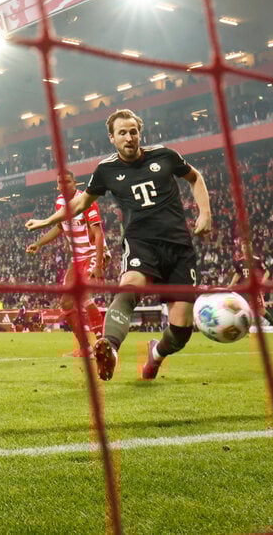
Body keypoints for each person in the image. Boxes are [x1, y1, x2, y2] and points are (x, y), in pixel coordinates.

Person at [26, 109, 211, 381]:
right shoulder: (106, 170)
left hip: (178, 247)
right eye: (122, 133)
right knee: (130, 287)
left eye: (133, 131)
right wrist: (46, 221)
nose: (129, 137)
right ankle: (110, 348)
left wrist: (205, 213)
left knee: (181, 329)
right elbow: (79, 203)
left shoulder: (165, 155)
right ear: (112, 138)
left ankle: (156, 353)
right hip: (140, 242)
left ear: (140, 133)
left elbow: (195, 177)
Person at [26, 170, 106, 357]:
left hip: (91, 253)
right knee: (66, 304)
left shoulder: (86, 201)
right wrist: (39, 243)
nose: (64, 185)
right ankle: (86, 348)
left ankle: (102, 346)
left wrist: (98, 263)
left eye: (68, 181)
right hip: (76, 259)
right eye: (60, 182)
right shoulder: (60, 202)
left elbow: (98, 233)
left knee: (83, 297)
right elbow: (59, 227)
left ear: (75, 183)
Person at [230, 240, 273, 334]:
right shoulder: (239, 262)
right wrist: (231, 285)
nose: (246, 249)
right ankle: (247, 330)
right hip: (244, 289)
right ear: (242, 248)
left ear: (251, 248)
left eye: (248, 247)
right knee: (243, 310)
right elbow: (237, 274)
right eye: (244, 247)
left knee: (261, 311)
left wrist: (261, 283)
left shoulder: (256, 260)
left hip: (254, 289)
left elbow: (267, 272)